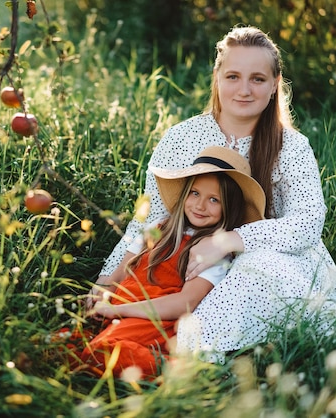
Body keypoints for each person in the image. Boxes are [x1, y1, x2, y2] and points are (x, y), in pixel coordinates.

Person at [88, 26, 336, 361]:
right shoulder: (182, 137)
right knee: (159, 278)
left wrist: (228, 241)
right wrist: (107, 280)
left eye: (257, 79)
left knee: (256, 269)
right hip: (186, 261)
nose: (244, 89)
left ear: (274, 86)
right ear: (217, 78)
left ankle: (195, 354)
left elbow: (307, 223)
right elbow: (149, 221)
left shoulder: (292, 147)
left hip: (269, 259)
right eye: (233, 76)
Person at [72, 146, 265, 378]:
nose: (200, 205)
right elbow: (120, 275)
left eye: (214, 199)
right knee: (66, 343)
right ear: (185, 193)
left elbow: (186, 302)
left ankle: (184, 373)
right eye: (195, 193)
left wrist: (119, 310)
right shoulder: (157, 228)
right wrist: (102, 296)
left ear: (229, 208)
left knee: (103, 351)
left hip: (154, 318)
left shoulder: (213, 250)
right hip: (117, 309)